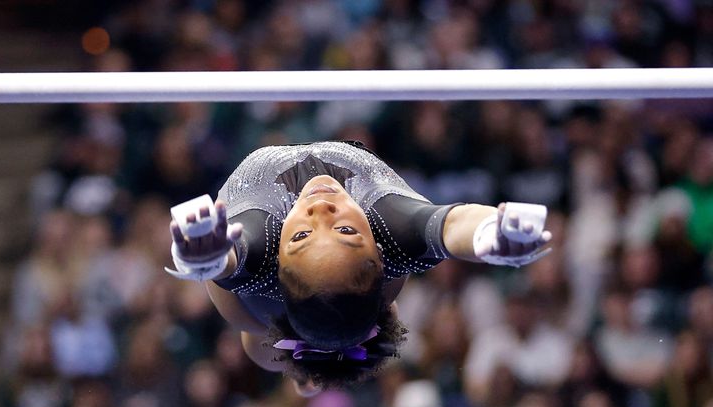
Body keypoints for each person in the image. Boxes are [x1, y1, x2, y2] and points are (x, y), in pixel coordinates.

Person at [166, 141, 552, 390]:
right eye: (347, 230)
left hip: (261, 303)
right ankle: (316, 365)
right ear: (380, 255)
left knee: (261, 344)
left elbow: (231, 262)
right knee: (338, 323)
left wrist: (211, 259)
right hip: (352, 293)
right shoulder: (394, 234)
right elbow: (452, 227)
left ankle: (308, 368)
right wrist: (488, 235)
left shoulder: (261, 250)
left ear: (280, 263)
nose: (320, 211)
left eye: (300, 237)